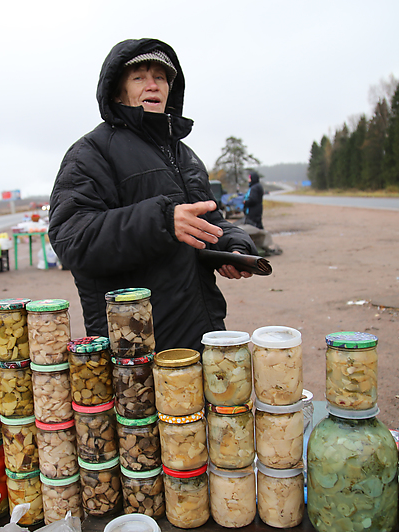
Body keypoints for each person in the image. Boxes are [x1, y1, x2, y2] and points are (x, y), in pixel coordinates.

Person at [48, 38, 257, 353]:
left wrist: (234, 246)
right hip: (135, 347)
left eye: (160, 77)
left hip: (201, 333)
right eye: (139, 77)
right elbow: (71, 238)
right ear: (118, 91)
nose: (152, 85)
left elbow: (209, 220)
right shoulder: (91, 152)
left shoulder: (184, 155)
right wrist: (161, 221)